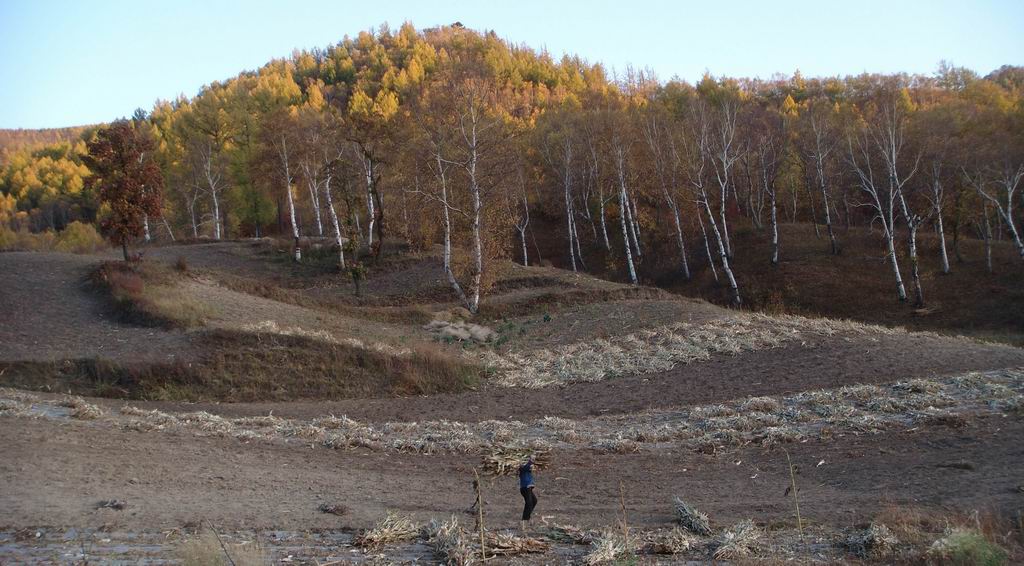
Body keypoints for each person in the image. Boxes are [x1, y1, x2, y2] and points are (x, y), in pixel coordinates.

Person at [518, 456, 538, 531]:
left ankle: (527, 517)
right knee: (529, 503)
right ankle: (524, 520)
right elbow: (526, 467)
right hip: (525, 488)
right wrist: (531, 461)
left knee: (534, 501)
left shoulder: (528, 471)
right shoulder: (522, 469)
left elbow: (529, 468)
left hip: (528, 488)